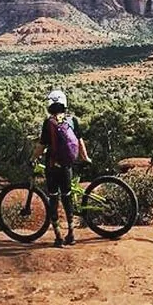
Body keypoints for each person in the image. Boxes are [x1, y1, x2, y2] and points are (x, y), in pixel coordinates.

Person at [32, 89, 91, 248]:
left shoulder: (48, 123)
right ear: (64, 104)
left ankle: (58, 236)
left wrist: (33, 158)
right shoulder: (72, 120)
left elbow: (41, 145)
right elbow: (79, 141)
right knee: (67, 196)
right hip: (67, 166)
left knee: (53, 198)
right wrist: (85, 157)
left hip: (52, 167)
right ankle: (71, 234)